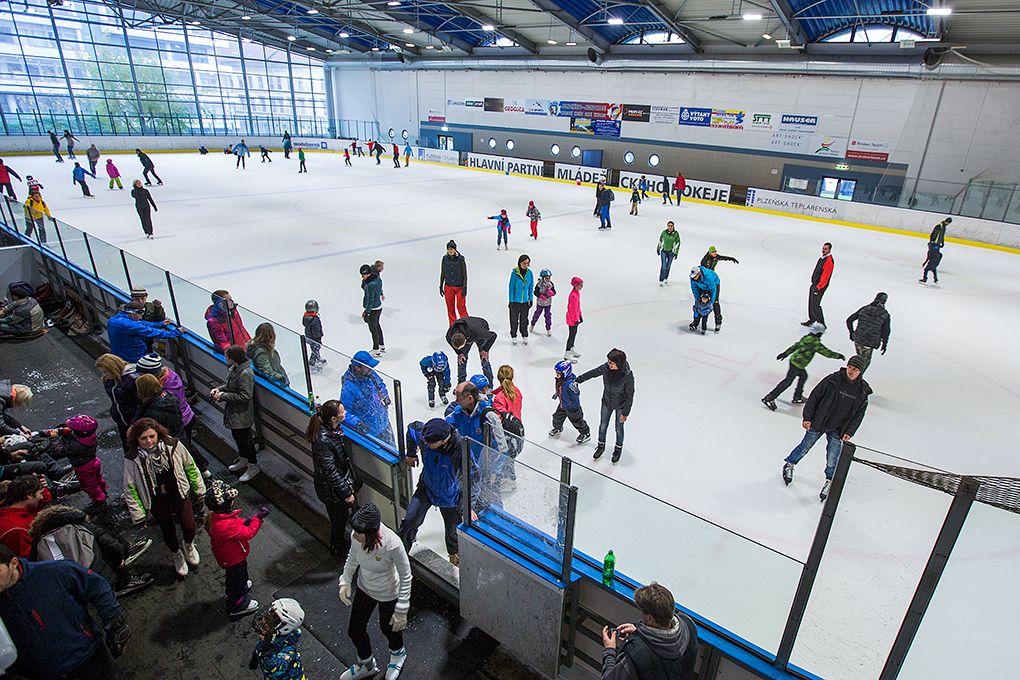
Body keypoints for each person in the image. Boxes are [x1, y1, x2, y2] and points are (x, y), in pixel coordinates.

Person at [0, 543, 132, 679]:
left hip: (88, 657)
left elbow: (95, 585)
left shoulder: (51, 572)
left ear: (13, 563)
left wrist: (115, 620)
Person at [338, 503, 412, 680]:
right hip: (365, 588)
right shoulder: (357, 538)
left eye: (358, 532)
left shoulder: (393, 544)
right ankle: (367, 663)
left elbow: (406, 576)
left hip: (388, 593)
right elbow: (352, 558)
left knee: (388, 629)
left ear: (370, 534)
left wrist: (401, 610)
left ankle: (398, 654)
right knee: (355, 629)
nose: (353, 535)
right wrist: (345, 581)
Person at [123, 419, 206, 576]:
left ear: (158, 434)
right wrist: (139, 513)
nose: (148, 441)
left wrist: (199, 488)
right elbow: (130, 487)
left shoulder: (174, 445)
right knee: (167, 531)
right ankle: (177, 554)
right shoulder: (132, 458)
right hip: (156, 500)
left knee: (189, 526)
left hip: (179, 494)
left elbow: (190, 466)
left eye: (151, 436)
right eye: (143, 438)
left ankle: (188, 545)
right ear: (136, 439)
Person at [782, 356, 872, 500]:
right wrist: (807, 417)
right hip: (819, 422)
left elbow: (859, 414)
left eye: (855, 369)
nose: (851, 370)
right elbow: (815, 397)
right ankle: (790, 464)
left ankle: (830, 480)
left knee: (832, 457)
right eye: (850, 367)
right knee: (805, 446)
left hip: (839, 430)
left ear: (860, 372)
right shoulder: (833, 380)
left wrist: (850, 431)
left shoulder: (862, 391)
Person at [29, 503, 153, 597]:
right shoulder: (80, 526)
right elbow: (110, 545)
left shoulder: (38, 542)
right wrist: (119, 561)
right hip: (97, 576)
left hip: (68, 587)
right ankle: (124, 582)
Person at [398, 418, 472, 565]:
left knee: (453, 534)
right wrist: (411, 453)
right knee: (409, 522)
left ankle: (455, 559)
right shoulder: (426, 435)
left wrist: (467, 507)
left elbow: (473, 478)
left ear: (443, 441)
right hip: (427, 488)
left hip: (450, 498)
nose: (424, 444)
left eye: (429, 443)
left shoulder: (460, 451)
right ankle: (399, 555)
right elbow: (412, 428)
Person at [601, 582, 698, 680]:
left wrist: (609, 650)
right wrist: (640, 633)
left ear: (650, 619)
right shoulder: (689, 625)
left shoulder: (637, 653)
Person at [135, 352, 208, 477]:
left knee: (184, 448)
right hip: (187, 417)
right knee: (187, 445)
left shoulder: (165, 395)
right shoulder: (171, 375)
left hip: (181, 421)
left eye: (142, 374)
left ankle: (196, 470)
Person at [206, 479, 268, 618]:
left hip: (232, 557)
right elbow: (248, 533)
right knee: (236, 578)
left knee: (236, 576)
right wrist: (257, 519)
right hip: (233, 558)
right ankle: (238, 604)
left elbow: (235, 523)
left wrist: (246, 521)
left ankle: (240, 588)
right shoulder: (226, 525)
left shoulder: (219, 517)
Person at [307, 400, 358, 559]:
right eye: (342, 412)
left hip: (334, 488)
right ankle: (337, 546)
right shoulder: (323, 440)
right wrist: (346, 493)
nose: (345, 413)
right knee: (338, 521)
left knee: (340, 516)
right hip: (331, 492)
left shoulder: (332, 430)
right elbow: (330, 471)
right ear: (334, 419)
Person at [762, 322, 845, 411]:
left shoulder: (806, 338)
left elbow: (795, 346)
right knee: (787, 382)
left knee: (803, 376)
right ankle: (769, 397)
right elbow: (826, 352)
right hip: (797, 364)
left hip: (795, 362)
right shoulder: (815, 343)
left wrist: (785, 353)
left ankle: (797, 396)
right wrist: (838, 356)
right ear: (818, 333)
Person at [576, 349, 635, 463]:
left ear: (619, 363)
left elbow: (630, 395)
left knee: (619, 428)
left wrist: (625, 413)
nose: (609, 364)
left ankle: (618, 449)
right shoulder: (606, 368)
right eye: (608, 362)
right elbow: (593, 373)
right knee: (603, 426)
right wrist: (579, 380)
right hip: (607, 402)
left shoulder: (627, 375)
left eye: (611, 363)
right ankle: (600, 446)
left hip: (620, 406)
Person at [44, 415, 109, 516]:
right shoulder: (90, 438)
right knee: (97, 479)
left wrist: (54, 438)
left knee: (89, 486)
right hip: (93, 462)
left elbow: (60, 450)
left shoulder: (76, 445)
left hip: (83, 468)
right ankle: (103, 492)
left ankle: (100, 502)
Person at [212, 345, 260, 482]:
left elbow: (245, 396)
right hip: (234, 412)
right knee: (238, 437)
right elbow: (229, 386)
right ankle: (244, 459)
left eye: (227, 356)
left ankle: (253, 465)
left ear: (233, 358)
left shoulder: (245, 373)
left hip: (242, 414)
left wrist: (223, 395)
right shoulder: (235, 370)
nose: (225, 358)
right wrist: (218, 390)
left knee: (246, 440)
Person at [446, 382, 508, 470]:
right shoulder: (459, 412)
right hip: (467, 464)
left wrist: (494, 471)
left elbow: (503, 449)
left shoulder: (489, 416)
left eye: (459, 398)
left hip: (485, 467)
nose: (456, 401)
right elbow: (445, 425)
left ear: (470, 398)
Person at [341, 351, 394, 446]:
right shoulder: (348, 388)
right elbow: (344, 412)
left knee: (393, 449)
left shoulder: (370, 373)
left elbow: (380, 384)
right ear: (358, 368)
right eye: (368, 367)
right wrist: (357, 423)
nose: (371, 369)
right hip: (370, 432)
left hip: (384, 422)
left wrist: (385, 395)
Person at [107, 301, 181, 363]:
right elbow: (151, 332)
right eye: (140, 314)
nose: (141, 317)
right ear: (133, 314)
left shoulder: (114, 319)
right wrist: (175, 332)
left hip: (119, 355)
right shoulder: (128, 325)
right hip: (132, 358)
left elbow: (140, 323)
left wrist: (160, 324)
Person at [252, 598, 307, 680]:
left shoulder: (288, 651)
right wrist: (256, 655)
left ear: (286, 628)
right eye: (270, 613)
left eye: (274, 620)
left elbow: (274, 667)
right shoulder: (272, 636)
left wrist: (266, 652)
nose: (264, 620)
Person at [0, 475, 51, 557]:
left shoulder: (19, 509)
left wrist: (38, 484)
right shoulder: (15, 529)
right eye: (41, 493)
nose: (42, 497)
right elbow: (31, 557)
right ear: (29, 495)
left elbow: (44, 500)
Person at [95, 353, 138, 451]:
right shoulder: (109, 380)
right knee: (128, 446)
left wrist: (134, 423)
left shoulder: (131, 380)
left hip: (132, 419)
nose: (105, 375)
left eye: (106, 372)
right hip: (121, 418)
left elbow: (139, 403)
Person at [846, 292, 890, 371]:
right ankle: (855, 380)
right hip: (869, 343)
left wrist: (851, 333)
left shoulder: (865, 308)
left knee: (859, 359)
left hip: (858, 339)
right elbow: (886, 332)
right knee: (863, 364)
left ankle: (853, 376)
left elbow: (849, 320)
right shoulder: (885, 314)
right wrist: (884, 344)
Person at [446, 315, 496, 385]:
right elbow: (452, 344)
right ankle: (461, 384)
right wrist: (459, 353)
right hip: (467, 327)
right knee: (461, 360)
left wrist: (485, 350)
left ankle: (489, 385)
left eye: (461, 347)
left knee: (484, 359)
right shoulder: (449, 335)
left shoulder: (479, 332)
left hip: (479, 327)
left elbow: (493, 335)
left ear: (465, 341)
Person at [700, 245, 739, 328]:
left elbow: (724, 258)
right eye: (713, 252)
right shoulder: (705, 259)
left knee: (715, 302)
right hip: (707, 281)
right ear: (710, 253)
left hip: (714, 280)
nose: (715, 253)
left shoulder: (716, 257)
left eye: (715, 252)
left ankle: (718, 322)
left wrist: (732, 258)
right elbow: (702, 270)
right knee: (703, 301)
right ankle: (698, 321)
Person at [246, 323, 290, 387]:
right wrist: (281, 378)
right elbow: (267, 372)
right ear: (271, 336)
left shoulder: (266, 348)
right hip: (277, 385)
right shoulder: (261, 353)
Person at [804, 242, 834, 326]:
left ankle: (821, 323)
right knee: (811, 303)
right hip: (815, 284)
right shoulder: (822, 258)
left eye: (825, 249)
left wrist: (819, 287)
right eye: (823, 248)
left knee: (815, 305)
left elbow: (825, 276)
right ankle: (812, 319)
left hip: (820, 286)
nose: (823, 250)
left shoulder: (828, 261)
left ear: (829, 250)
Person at [440, 240, 469, 326]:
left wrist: (465, 287)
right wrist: (441, 285)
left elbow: (465, 274)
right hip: (448, 286)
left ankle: (466, 325)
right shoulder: (445, 259)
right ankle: (453, 326)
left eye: (451, 249)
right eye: (448, 249)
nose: (450, 251)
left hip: (459, 287)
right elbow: (443, 272)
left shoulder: (460, 259)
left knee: (461, 307)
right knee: (450, 308)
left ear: (455, 249)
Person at [508, 254, 534, 345]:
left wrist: (531, 299)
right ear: (520, 263)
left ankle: (524, 334)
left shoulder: (529, 273)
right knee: (514, 320)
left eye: (527, 263)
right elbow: (511, 287)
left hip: (525, 302)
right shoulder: (515, 273)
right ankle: (514, 335)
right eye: (524, 263)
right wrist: (511, 301)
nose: (526, 265)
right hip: (515, 301)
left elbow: (531, 287)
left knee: (524, 319)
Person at [360, 263, 385, 357]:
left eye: (363, 275)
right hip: (379, 307)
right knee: (377, 326)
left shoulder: (370, 285)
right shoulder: (377, 279)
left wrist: (367, 312)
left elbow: (370, 299)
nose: (362, 277)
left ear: (368, 274)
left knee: (373, 329)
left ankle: (376, 349)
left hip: (373, 308)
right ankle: (381, 344)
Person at [689, 266, 720, 332]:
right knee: (698, 304)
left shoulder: (708, 277)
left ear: (699, 274)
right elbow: (695, 290)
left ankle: (718, 323)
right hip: (702, 287)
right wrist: (698, 300)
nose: (693, 278)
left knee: (715, 303)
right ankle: (695, 322)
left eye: (695, 276)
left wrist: (711, 301)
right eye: (692, 276)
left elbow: (713, 289)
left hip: (714, 285)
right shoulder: (692, 278)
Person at [530, 268, 556, 336]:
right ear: (543, 278)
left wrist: (552, 293)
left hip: (548, 303)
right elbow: (535, 292)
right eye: (547, 278)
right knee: (537, 314)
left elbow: (554, 292)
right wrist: (540, 296)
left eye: (549, 278)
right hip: (540, 303)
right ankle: (532, 324)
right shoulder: (539, 284)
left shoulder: (551, 284)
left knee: (548, 315)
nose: (548, 279)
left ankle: (548, 328)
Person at [303, 299, 326, 370]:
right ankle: (312, 362)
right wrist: (318, 337)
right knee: (315, 350)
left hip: (309, 337)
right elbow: (316, 330)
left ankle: (318, 358)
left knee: (316, 349)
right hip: (315, 338)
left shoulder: (306, 317)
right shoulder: (314, 319)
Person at [565, 276, 584, 361]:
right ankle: (567, 353)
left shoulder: (577, 293)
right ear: (575, 285)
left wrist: (580, 315)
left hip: (575, 318)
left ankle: (571, 348)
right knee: (571, 335)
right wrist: (575, 319)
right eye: (580, 285)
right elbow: (572, 309)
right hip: (572, 319)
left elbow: (577, 307)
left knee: (574, 334)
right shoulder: (573, 295)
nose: (582, 286)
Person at [657, 221, 681, 286]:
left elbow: (678, 243)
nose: (670, 227)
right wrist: (658, 248)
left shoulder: (676, 234)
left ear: (673, 226)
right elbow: (660, 240)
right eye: (669, 226)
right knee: (664, 266)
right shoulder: (664, 232)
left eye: (671, 226)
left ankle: (665, 278)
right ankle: (661, 279)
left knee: (668, 266)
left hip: (671, 252)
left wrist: (676, 253)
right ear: (667, 226)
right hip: (664, 251)